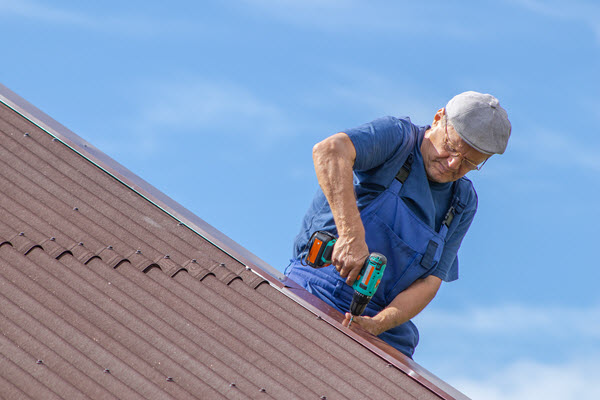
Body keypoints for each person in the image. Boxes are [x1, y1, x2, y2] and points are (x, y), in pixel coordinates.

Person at [285, 91, 511, 358]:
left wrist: (378, 325)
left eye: (469, 162)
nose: (452, 164)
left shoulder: (462, 202)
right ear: (439, 118)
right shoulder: (397, 139)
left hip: (383, 329)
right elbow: (330, 151)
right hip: (317, 288)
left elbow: (430, 282)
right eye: (451, 147)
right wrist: (351, 235)